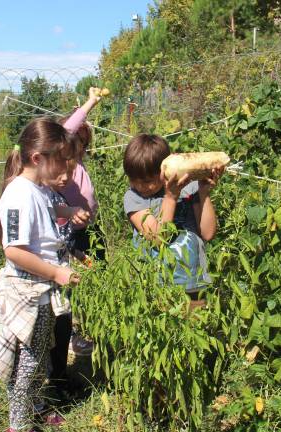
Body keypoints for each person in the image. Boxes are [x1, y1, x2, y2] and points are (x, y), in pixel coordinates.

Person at [0, 117, 90, 432]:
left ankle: (35, 408)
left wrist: (70, 209)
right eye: (62, 160)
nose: (67, 169)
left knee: (41, 351)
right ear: (38, 158)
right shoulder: (18, 195)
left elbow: (50, 209)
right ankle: (20, 431)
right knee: (29, 360)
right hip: (28, 289)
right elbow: (14, 250)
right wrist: (56, 273)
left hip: (42, 287)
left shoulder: (42, 189)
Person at [122, 134, 223, 302]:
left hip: (194, 282)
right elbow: (157, 239)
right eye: (133, 179)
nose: (140, 186)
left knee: (196, 324)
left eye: (147, 181)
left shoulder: (188, 187)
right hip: (157, 286)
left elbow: (207, 233)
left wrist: (204, 193)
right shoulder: (134, 198)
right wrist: (170, 198)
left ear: (165, 171)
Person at [54, 88, 104, 359]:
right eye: (77, 141)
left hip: (90, 230)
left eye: (85, 142)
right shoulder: (63, 164)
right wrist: (90, 103)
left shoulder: (79, 163)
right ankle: (78, 333)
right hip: (71, 234)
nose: (81, 146)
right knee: (79, 281)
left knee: (99, 271)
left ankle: (96, 325)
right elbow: (66, 131)